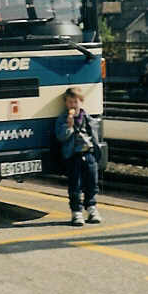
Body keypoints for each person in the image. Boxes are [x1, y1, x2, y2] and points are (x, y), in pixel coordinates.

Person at [55, 87, 102, 226]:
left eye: (75, 102)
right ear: (66, 103)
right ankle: (76, 211)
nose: (73, 105)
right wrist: (69, 126)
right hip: (73, 156)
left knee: (92, 182)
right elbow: (60, 137)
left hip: (88, 153)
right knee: (75, 185)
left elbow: (94, 134)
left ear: (81, 102)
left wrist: (95, 150)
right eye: (70, 102)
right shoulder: (62, 119)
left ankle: (91, 207)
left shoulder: (86, 117)